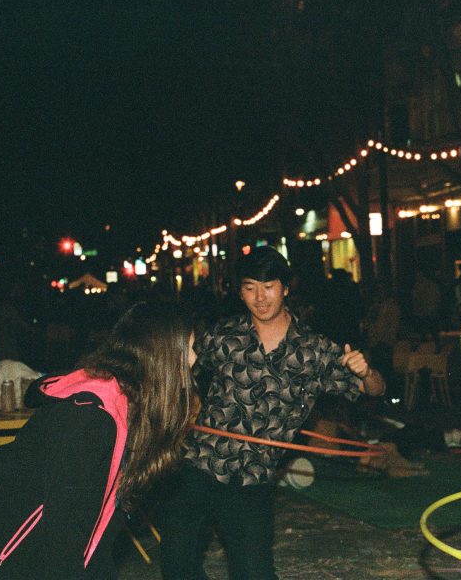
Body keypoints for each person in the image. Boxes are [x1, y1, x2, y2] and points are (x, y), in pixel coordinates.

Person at [159, 246, 385, 580]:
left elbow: (375, 391)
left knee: (254, 573)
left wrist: (366, 372)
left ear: (286, 288)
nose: (260, 297)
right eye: (250, 287)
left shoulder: (314, 349)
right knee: (177, 562)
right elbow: (182, 370)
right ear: (240, 292)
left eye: (269, 287)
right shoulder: (225, 335)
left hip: (253, 476)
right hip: (201, 463)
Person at [0, 301, 196, 579]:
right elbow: (62, 523)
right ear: (162, 355)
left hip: (31, 554)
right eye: (189, 349)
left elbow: (97, 530)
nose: (194, 360)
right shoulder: (91, 413)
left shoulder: (124, 411)